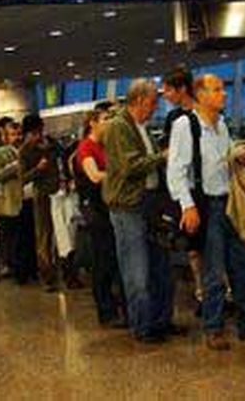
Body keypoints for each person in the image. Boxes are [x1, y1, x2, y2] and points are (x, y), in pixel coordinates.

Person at [168, 74, 245, 350]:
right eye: (217, 90)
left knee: (243, 264)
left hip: (231, 203)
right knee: (213, 270)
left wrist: (238, 155)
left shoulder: (221, 125)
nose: (224, 94)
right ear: (200, 95)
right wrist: (188, 205)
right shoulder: (186, 125)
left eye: (223, 89)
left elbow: (223, 160)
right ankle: (213, 327)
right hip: (207, 204)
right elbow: (176, 170)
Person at [102, 79, 180, 344]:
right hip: (128, 207)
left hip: (150, 205)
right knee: (137, 271)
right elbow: (130, 166)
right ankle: (142, 326)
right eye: (151, 103)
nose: (154, 108)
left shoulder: (143, 128)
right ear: (137, 101)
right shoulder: (117, 127)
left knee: (160, 268)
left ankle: (161, 320)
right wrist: (163, 156)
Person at [161, 64, 209, 313]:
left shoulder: (203, 117)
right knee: (194, 248)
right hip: (190, 192)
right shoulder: (176, 120)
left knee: (206, 249)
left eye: (168, 90)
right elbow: (175, 164)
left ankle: (214, 292)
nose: (165, 95)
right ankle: (203, 292)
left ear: (181, 89)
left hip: (204, 190)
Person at [75, 104, 126, 327]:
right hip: (96, 209)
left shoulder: (106, 146)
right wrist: (119, 173)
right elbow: (94, 176)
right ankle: (105, 310)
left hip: (109, 207)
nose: (108, 123)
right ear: (92, 123)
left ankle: (116, 306)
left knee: (112, 258)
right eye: (105, 119)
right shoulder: (86, 147)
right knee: (102, 259)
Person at [20, 114, 60, 292]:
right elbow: (23, 177)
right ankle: (47, 275)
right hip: (41, 195)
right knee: (44, 235)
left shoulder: (52, 144)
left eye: (40, 131)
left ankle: (65, 270)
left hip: (58, 192)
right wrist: (38, 169)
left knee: (61, 233)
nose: (39, 135)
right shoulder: (25, 151)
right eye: (35, 132)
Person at [0, 120, 30, 284]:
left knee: (25, 238)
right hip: (8, 202)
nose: (17, 137)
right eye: (13, 134)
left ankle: (27, 269)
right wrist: (14, 166)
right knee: (12, 238)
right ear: (5, 136)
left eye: (19, 133)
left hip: (26, 198)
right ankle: (14, 269)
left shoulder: (27, 150)